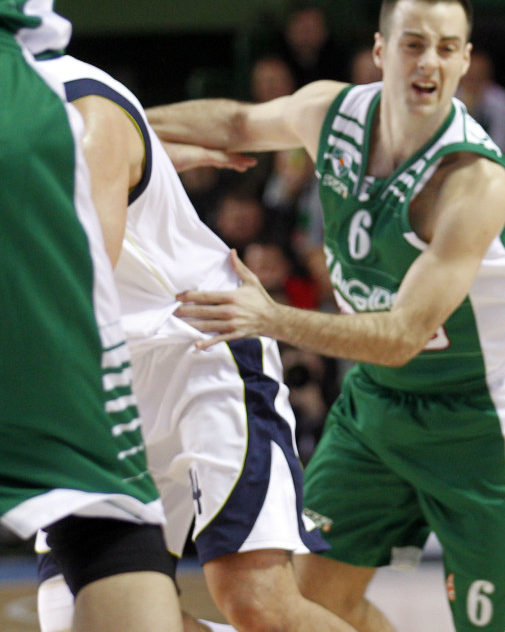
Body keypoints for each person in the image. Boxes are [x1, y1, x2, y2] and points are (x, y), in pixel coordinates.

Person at [149, 0, 505, 632]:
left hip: (480, 419)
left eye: (447, 47)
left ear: (467, 60)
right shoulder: (331, 114)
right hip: (378, 405)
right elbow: (238, 121)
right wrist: (116, 127)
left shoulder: (471, 181)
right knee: (319, 605)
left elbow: (405, 333)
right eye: (414, 44)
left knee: (503, 625)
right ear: (381, 51)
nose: (429, 62)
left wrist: (270, 316)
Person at [32, 53, 360, 632]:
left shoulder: (82, 110)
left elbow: (80, 295)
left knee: (259, 603)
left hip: (198, 347)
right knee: (80, 618)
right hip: (105, 381)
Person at [0, 0, 184, 630]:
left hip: (191, 345)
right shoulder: (83, 110)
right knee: (102, 517)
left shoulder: (100, 109)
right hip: (18, 130)